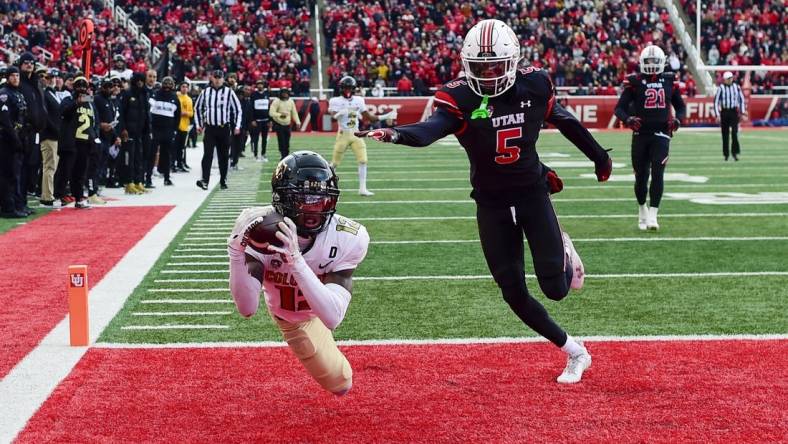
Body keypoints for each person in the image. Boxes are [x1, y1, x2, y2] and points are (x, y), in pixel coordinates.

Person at [356, 19, 613, 384]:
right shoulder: (459, 97)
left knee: (556, 289)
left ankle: (566, 249)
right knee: (512, 291)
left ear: (513, 61)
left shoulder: (534, 85)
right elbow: (430, 130)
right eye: (481, 68)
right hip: (491, 201)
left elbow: (565, 119)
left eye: (496, 66)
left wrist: (599, 156)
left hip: (531, 192)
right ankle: (575, 351)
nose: (490, 75)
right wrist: (397, 133)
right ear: (466, 65)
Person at [228, 151, 369, 395]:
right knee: (341, 382)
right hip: (292, 317)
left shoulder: (349, 237)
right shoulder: (261, 232)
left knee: (341, 384)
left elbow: (333, 317)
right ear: (282, 199)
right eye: (303, 197)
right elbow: (247, 309)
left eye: (320, 197)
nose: (314, 206)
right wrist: (235, 252)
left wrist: (295, 261)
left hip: (318, 308)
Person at [614, 45, 686, 231]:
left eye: (655, 61)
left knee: (658, 173)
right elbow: (619, 108)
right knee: (641, 177)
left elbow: (681, 107)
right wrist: (628, 119)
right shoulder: (635, 81)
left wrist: (678, 120)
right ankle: (642, 209)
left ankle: (653, 214)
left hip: (662, 134)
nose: (652, 65)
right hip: (640, 134)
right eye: (649, 62)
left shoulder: (670, 80)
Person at [329, 76, 396, 196]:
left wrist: (386, 116)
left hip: (356, 133)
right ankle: (327, 185)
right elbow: (332, 119)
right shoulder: (335, 101)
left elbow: (369, 117)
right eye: (346, 87)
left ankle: (362, 189)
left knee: (363, 160)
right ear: (341, 88)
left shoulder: (359, 100)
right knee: (334, 164)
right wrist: (341, 113)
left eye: (350, 87)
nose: (348, 90)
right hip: (343, 134)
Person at [193, 69, 242, 190]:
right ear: (212, 78)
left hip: (223, 128)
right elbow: (197, 108)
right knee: (207, 155)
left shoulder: (229, 92)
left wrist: (237, 126)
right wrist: (199, 124)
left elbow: (237, 109)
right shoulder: (205, 92)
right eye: (215, 77)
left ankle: (223, 179)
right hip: (210, 128)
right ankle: (205, 180)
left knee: (224, 156)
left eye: (219, 77)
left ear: (223, 79)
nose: (217, 79)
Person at [54, 76, 95, 209]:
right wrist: (76, 103)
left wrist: (93, 138)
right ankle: (58, 196)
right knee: (65, 171)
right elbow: (62, 112)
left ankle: (78, 197)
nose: (81, 88)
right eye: (79, 85)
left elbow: (94, 122)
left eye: (84, 86)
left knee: (80, 172)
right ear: (73, 86)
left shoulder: (90, 102)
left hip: (84, 142)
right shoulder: (68, 99)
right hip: (70, 141)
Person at [0, 66, 30, 218]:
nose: (15, 78)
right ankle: (8, 208)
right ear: (7, 77)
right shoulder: (4, 94)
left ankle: (17, 205)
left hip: (18, 138)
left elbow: (22, 118)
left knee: (17, 174)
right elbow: (5, 121)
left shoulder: (18, 93)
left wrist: (23, 138)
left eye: (17, 75)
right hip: (7, 140)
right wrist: (15, 139)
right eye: (12, 76)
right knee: (8, 175)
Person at [118, 72, 151, 195]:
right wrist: (123, 129)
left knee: (139, 157)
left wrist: (147, 129)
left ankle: (138, 182)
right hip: (129, 132)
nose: (140, 83)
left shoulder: (144, 94)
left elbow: (146, 113)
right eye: (138, 81)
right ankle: (128, 183)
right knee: (128, 158)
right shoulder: (127, 94)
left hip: (140, 131)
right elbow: (121, 113)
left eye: (142, 81)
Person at [150, 77, 181, 186]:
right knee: (152, 153)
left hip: (168, 130)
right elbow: (150, 111)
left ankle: (167, 177)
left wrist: (174, 130)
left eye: (170, 84)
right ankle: (148, 177)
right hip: (155, 129)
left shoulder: (175, 98)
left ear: (173, 86)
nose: (167, 86)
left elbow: (178, 116)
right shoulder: (155, 95)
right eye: (165, 84)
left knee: (167, 154)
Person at [40, 68, 62, 207]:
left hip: (56, 135)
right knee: (49, 165)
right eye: (50, 77)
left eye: (54, 77)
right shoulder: (45, 94)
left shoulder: (54, 94)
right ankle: (47, 196)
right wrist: (56, 130)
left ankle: (50, 194)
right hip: (49, 135)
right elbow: (46, 116)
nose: (52, 79)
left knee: (52, 166)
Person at [714, 71, 746, 161]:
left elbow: (741, 100)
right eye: (728, 78)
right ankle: (726, 154)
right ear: (725, 80)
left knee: (735, 132)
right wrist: (717, 115)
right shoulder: (721, 88)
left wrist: (743, 112)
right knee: (725, 134)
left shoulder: (737, 87)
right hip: (724, 112)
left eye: (731, 78)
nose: (730, 80)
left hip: (733, 112)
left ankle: (735, 153)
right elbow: (716, 102)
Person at [269, 87, 300, 159]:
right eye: (283, 93)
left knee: (287, 142)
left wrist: (297, 122)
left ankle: (286, 155)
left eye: (286, 93)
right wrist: (280, 115)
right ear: (280, 94)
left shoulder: (291, 101)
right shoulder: (276, 101)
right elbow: (271, 113)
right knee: (281, 141)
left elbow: (294, 112)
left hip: (287, 124)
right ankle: (283, 155)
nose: (285, 94)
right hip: (279, 124)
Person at [248, 79, 271, 162]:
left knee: (264, 138)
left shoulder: (267, 94)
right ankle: (256, 155)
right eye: (258, 84)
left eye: (261, 84)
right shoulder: (253, 95)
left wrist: (269, 120)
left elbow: (269, 108)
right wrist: (252, 120)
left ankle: (263, 154)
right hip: (257, 121)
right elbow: (251, 108)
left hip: (265, 120)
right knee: (255, 138)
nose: (260, 86)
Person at [175, 82, 193, 172]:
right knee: (175, 146)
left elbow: (191, 113)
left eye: (186, 87)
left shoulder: (189, 99)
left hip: (185, 126)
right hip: (176, 126)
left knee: (182, 147)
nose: (185, 88)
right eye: (183, 87)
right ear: (180, 88)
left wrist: (185, 113)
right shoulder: (176, 97)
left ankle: (180, 163)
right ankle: (173, 164)